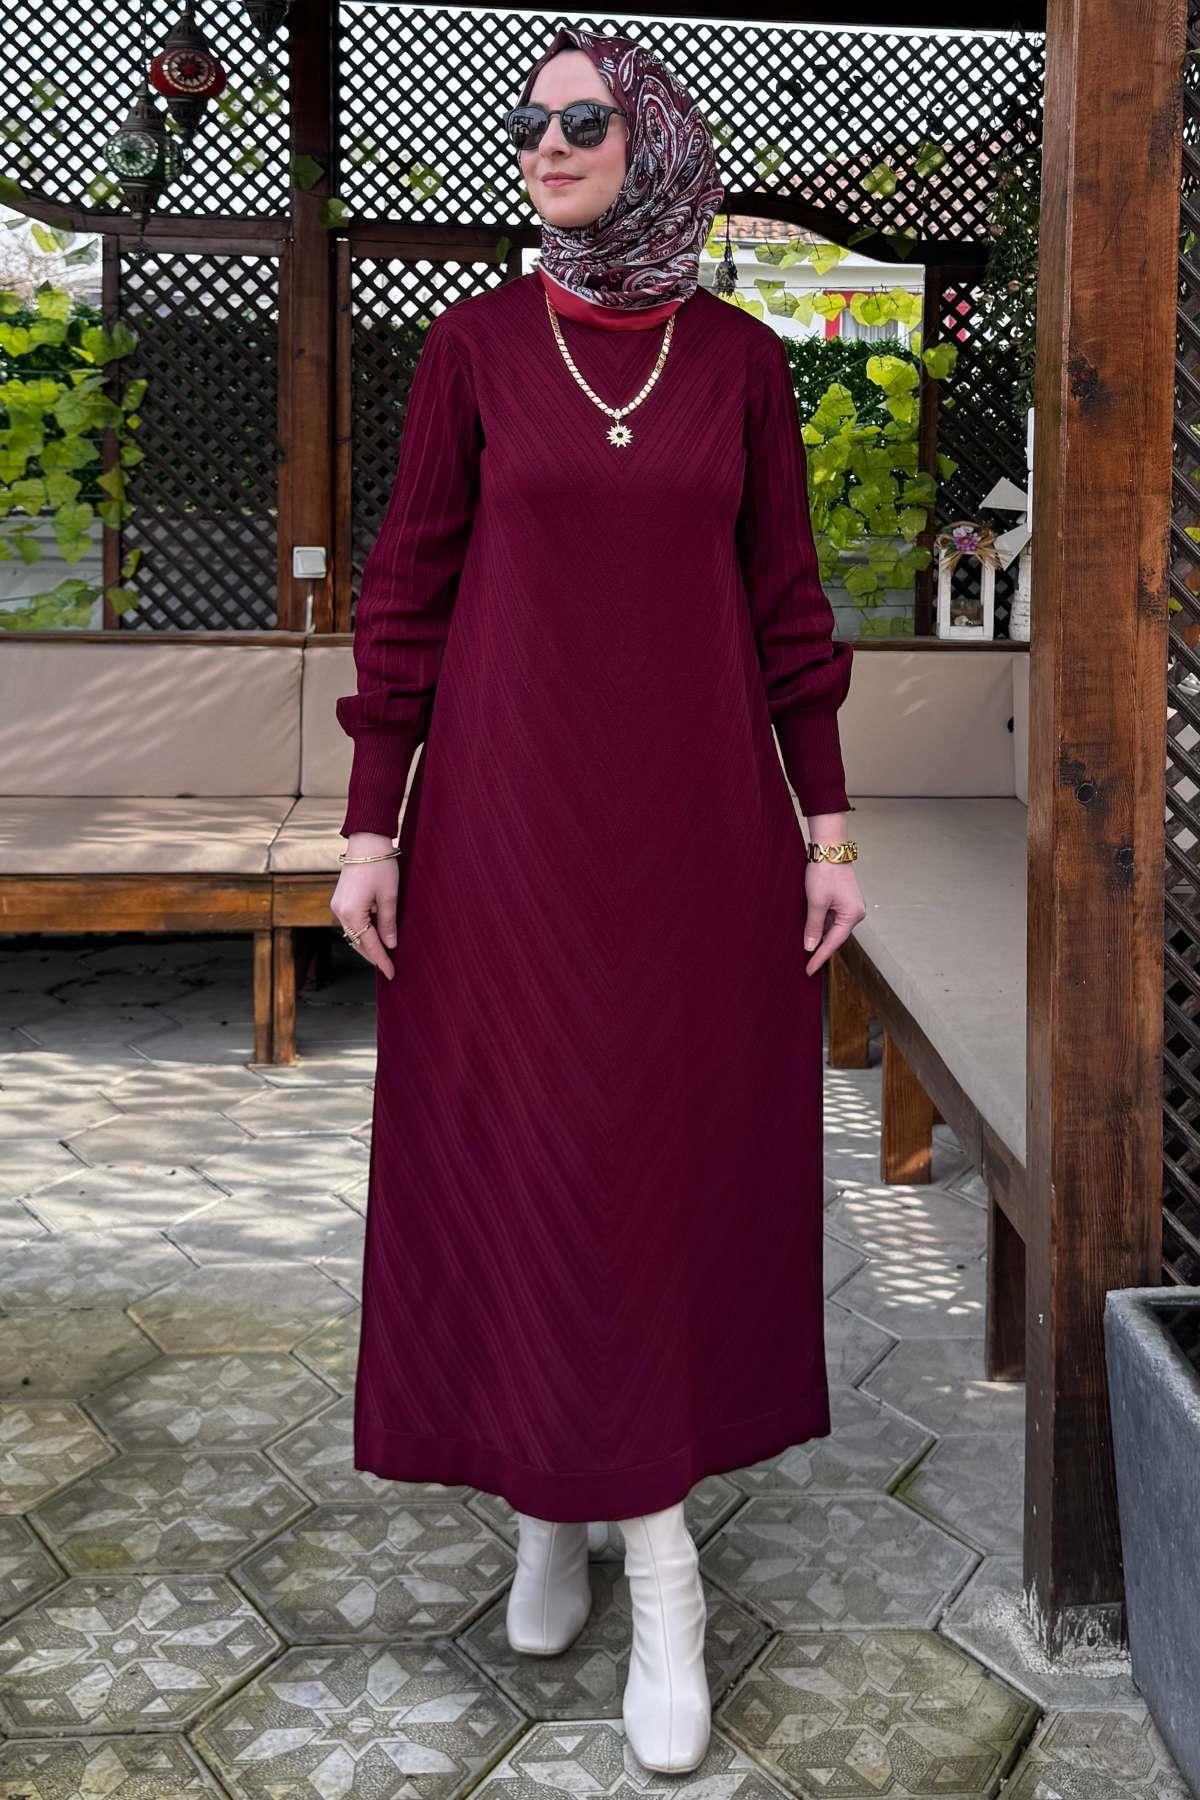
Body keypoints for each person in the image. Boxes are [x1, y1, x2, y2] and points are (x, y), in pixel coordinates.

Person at [330, 23, 866, 1773]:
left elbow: (789, 611)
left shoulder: (743, 366)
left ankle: (665, 1575)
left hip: (697, 851)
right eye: (530, 119)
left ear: (655, 143)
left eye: (583, 117)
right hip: (505, 844)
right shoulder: (474, 348)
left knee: (652, 1181)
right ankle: (554, 1510)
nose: (547, 142)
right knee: (531, 1168)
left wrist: (830, 834)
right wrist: (372, 827)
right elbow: (406, 593)